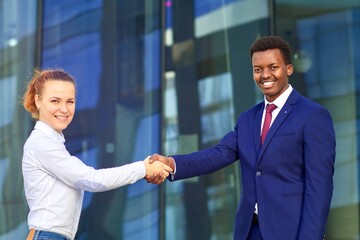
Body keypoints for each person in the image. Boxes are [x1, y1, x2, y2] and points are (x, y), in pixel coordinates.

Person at [147, 36, 336, 240]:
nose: (265, 75)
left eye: (273, 67)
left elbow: (320, 187)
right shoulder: (249, 119)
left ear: (288, 69)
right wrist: (172, 163)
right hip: (249, 231)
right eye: (258, 69)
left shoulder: (313, 115)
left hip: (290, 231)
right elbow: (218, 154)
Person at [21, 68, 172, 240]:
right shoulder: (42, 144)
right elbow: (93, 180)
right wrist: (142, 168)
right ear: (38, 101)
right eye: (55, 101)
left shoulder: (51, 143)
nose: (64, 109)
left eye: (70, 101)